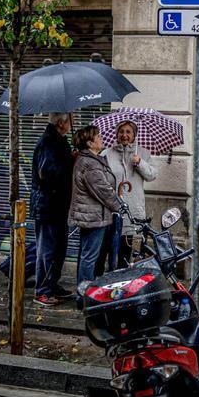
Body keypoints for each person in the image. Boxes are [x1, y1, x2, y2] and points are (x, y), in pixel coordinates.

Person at [69, 124, 119, 304]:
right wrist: (119, 206)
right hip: (93, 217)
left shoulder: (92, 159)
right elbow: (102, 190)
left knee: (87, 255)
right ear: (90, 143)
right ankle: (84, 296)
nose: (101, 138)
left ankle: (84, 293)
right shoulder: (89, 163)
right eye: (98, 136)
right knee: (89, 257)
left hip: (94, 215)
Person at [31, 112, 75, 307]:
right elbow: (46, 171)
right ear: (61, 123)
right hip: (48, 205)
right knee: (47, 249)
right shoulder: (49, 141)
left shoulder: (59, 140)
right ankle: (42, 290)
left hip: (59, 205)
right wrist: (70, 162)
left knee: (59, 248)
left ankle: (52, 283)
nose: (72, 123)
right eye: (70, 119)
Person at [105, 120, 158, 268]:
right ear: (116, 134)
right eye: (121, 132)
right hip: (112, 209)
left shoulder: (143, 153)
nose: (124, 135)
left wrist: (140, 162)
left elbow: (152, 175)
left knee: (126, 250)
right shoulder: (107, 153)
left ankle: (122, 281)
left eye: (128, 132)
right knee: (109, 248)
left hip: (132, 209)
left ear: (135, 134)